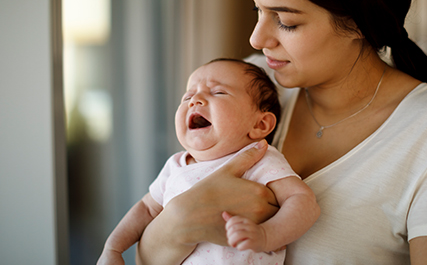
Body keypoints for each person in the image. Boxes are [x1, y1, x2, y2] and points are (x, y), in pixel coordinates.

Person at [136, 0, 427, 264]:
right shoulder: (246, 88)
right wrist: (181, 220)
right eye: (257, 10)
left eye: (286, 21)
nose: (257, 39)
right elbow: (148, 254)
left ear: (358, 20)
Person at [98, 58, 320, 265]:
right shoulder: (176, 165)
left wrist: (267, 234)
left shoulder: (260, 158)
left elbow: (303, 201)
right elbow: (146, 209)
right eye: (187, 97)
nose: (195, 100)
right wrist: (113, 247)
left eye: (218, 92)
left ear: (260, 125)